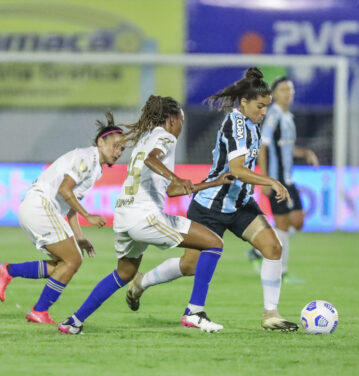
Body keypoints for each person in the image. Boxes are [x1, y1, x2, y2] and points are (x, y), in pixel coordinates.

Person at [125, 68, 299, 331]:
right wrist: (271, 181)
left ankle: (270, 315)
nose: (264, 112)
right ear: (244, 102)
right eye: (260, 106)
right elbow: (237, 169)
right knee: (189, 265)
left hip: (239, 203)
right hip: (211, 205)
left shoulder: (253, 124)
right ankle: (141, 282)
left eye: (267, 107)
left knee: (273, 248)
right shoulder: (235, 123)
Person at [57, 95, 234, 335]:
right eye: (181, 120)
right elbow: (154, 162)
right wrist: (176, 177)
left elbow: (170, 190)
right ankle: (194, 312)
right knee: (214, 243)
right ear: (172, 120)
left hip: (124, 215)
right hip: (144, 216)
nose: (182, 126)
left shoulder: (145, 140)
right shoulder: (165, 136)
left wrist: (212, 183)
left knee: (124, 273)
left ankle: (74, 321)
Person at [0, 112, 126, 324]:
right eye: (115, 145)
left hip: (38, 207)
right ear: (101, 141)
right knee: (72, 260)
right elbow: (65, 190)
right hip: (41, 205)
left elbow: (69, 204)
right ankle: (39, 310)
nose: (118, 152)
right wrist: (88, 215)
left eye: (122, 149)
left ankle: (9, 270)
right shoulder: (87, 158)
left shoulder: (95, 168)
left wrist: (79, 236)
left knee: (64, 264)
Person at [246, 76, 319, 282]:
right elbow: (263, 146)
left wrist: (304, 153)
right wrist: (266, 179)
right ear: (274, 94)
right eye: (285, 89)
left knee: (298, 220)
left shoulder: (288, 117)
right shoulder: (273, 116)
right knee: (284, 224)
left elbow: (285, 147)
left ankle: (259, 252)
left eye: (291, 89)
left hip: (288, 178)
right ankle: (281, 271)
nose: (289, 93)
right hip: (276, 178)